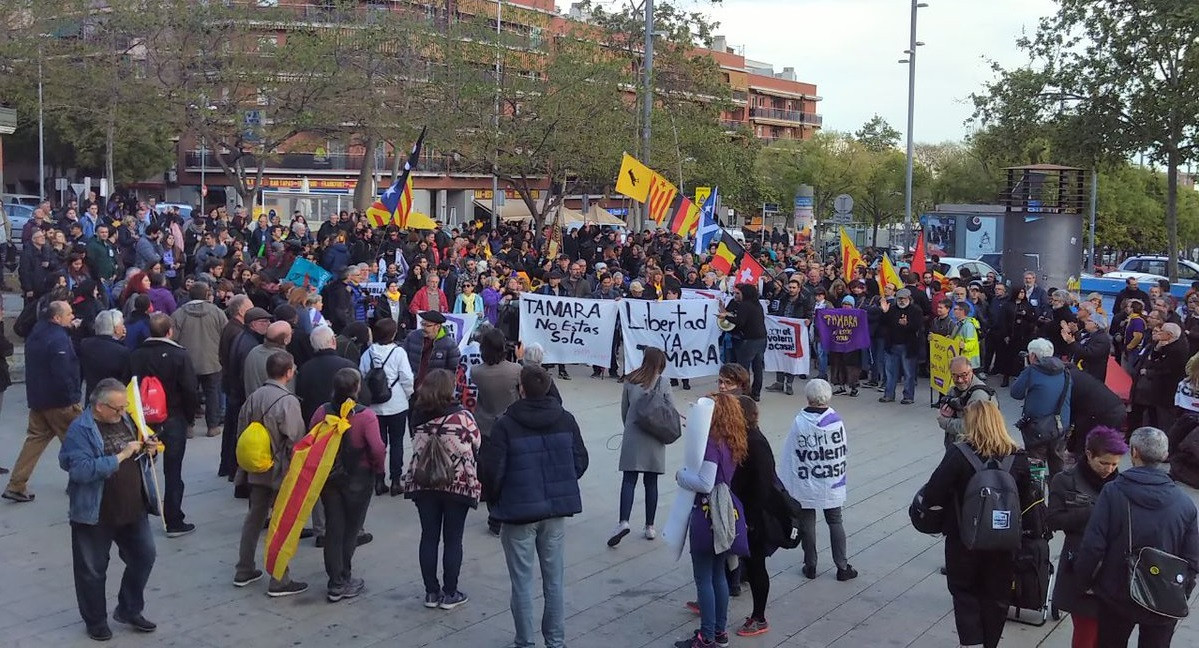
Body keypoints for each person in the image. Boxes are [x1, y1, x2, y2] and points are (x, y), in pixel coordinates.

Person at [479, 366, 589, 648]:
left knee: (522, 582)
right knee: (553, 580)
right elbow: (580, 461)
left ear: (521, 389)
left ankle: (525, 642)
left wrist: (497, 499)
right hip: (553, 511)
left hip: (518, 512)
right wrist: (559, 479)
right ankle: (555, 641)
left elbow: (491, 471)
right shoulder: (565, 419)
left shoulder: (506, 424)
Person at [919, 400, 1040, 648]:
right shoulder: (1018, 458)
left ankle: (971, 642)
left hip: (964, 538)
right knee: (997, 596)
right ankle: (989, 643)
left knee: (964, 591)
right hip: (1004, 542)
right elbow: (1029, 504)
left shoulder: (958, 454)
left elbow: (933, 494)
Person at [1074, 427, 1199, 647]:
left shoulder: (1113, 492)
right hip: (1163, 596)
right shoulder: (1185, 504)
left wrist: (1084, 581)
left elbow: (1093, 545)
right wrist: (1180, 591)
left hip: (1117, 593)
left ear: (1134, 452)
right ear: (1164, 455)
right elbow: (1193, 560)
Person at [58, 378, 160, 641]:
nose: (123, 412)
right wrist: (121, 456)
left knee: (144, 556)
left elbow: (139, 452)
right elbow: (79, 470)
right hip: (95, 513)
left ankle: (128, 609)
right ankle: (95, 620)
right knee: (92, 570)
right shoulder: (80, 430)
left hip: (132, 508)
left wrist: (149, 450)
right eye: (117, 408)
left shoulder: (126, 419)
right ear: (99, 407)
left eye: (124, 407)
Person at [400, 368, 481, 610]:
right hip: (457, 486)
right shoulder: (463, 418)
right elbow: (477, 444)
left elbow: (415, 441)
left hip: (424, 483)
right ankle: (450, 592)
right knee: (453, 539)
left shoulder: (418, 416)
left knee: (429, 536)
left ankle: (431, 592)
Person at [673, 392, 748, 648]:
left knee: (703, 578)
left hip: (707, 515)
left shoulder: (712, 443)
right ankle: (719, 631)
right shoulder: (733, 440)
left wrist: (681, 476)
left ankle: (705, 636)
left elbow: (705, 482)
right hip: (727, 511)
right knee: (718, 575)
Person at [232, 350, 309, 598]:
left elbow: (241, 431)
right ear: (288, 372)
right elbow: (296, 440)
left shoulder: (254, 396)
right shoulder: (288, 401)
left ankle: (244, 568)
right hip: (280, 471)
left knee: (254, 518)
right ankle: (279, 578)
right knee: (280, 524)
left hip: (256, 468)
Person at [1046, 427, 1127, 648]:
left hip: (1115, 569)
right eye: (1104, 463)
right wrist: (1094, 513)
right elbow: (1052, 519)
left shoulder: (1123, 485)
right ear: (1089, 454)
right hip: (1082, 565)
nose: (1109, 469)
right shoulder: (1064, 480)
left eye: (1115, 464)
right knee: (1086, 633)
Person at [310, 368, 384, 603]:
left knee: (334, 527)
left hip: (330, 477)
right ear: (357, 388)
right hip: (358, 477)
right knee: (351, 529)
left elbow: (311, 439)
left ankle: (335, 581)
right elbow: (377, 448)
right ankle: (343, 577)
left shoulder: (322, 411)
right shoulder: (365, 416)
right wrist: (378, 470)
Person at [778, 379, 857, 581]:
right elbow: (841, 450)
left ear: (808, 397)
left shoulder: (800, 421)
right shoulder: (836, 420)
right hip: (830, 481)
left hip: (807, 482)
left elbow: (791, 452)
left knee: (807, 523)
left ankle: (810, 565)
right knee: (835, 520)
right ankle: (842, 566)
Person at [129, 313, 200, 536]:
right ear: (170, 331)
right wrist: (190, 416)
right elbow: (190, 389)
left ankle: (136, 513)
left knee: (140, 465)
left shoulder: (136, 355)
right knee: (173, 469)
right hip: (173, 416)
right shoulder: (179, 355)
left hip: (143, 419)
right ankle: (173, 518)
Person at [4, 300, 82, 503]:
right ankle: (82, 482)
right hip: (59, 402)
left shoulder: (38, 333)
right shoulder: (58, 340)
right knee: (80, 441)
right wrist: (72, 398)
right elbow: (63, 373)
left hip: (39, 398)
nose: (72, 316)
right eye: (69, 314)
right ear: (57, 318)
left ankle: (16, 484)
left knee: (35, 440)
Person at [729, 395, 781, 638]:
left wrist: (749, 519)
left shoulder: (755, 443)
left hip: (755, 517)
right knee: (749, 565)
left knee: (756, 566)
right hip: (746, 512)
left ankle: (759, 616)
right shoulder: (744, 437)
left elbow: (762, 485)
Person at [611, 346, 673, 546]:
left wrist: (629, 427)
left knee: (629, 480)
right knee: (651, 482)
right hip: (654, 436)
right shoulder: (663, 383)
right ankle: (650, 526)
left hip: (633, 435)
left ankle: (623, 521)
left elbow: (624, 410)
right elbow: (670, 411)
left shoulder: (630, 380)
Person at [358, 318, 415, 496]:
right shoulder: (398, 353)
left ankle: (379, 478)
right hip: (396, 403)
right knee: (397, 442)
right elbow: (406, 377)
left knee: (378, 444)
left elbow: (361, 374)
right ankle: (396, 480)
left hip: (374, 406)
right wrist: (407, 394)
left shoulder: (368, 353)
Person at [171, 282, 228, 437]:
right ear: (206, 294)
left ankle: (189, 426)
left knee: (189, 394)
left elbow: (172, 337)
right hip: (212, 360)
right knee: (212, 393)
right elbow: (226, 334)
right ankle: (212, 426)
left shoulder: (179, 314)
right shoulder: (217, 312)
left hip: (187, 362)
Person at [1011, 338, 1072, 476]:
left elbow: (1016, 393)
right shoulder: (1065, 371)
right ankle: (1057, 494)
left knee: (1035, 470)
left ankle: (1036, 495)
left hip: (1037, 429)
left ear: (1032, 356)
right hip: (1060, 426)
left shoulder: (1032, 371)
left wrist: (1026, 370)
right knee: (1058, 468)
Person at [718, 283, 767, 400]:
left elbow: (739, 322)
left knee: (743, 369)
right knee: (757, 367)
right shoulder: (757, 304)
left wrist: (725, 316)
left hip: (748, 341)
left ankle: (744, 394)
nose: (736, 295)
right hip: (761, 339)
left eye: (738, 293)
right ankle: (756, 393)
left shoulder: (745, 306)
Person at [937, 356, 996, 448]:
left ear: (971, 372)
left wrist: (945, 421)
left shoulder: (979, 395)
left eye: (964, 375)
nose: (959, 380)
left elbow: (973, 427)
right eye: (955, 375)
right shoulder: (954, 390)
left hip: (976, 450)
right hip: (959, 447)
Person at [79, 309, 132, 404]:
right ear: (116, 329)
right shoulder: (122, 351)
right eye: (122, 325)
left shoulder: (84, 344)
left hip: (91, 397)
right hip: (112, 400)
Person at [879, 288, 923, 404]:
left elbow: (918, 327)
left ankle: (908, 396)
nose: (901, 301)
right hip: (892, 345)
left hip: (908, 346)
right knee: (890, 372)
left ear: (909, 299)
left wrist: (907, 325)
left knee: (909, 373)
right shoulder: (892, 309)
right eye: (899, 299)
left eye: (904, 299)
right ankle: (889, 394)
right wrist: (884, 312)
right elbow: (883, 324)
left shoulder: (915, 310)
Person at [401, 310, 462, 393]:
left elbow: (453, 370)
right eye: (422, 324)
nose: (423, 328)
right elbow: (402, 359)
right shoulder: (412, 337)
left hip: (434, 392)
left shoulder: (449, 344)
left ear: (437, 326)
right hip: (411, 389)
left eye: (427, 325)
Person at [1064, 311, 1111, 383]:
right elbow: (1081, 343)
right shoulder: (1090, 334)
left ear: (1096, 324)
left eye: (1089, 321)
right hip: (1085, 372)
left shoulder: (1102, 339)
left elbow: (1088, 353)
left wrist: (1072, 343)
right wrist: (1074, 333)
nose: (1086, 322)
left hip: (1092, 376)